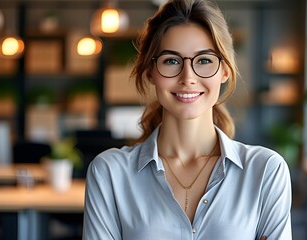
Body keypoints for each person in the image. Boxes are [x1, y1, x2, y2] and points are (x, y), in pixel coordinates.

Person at [82, 0, 292, 239]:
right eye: (171, 61)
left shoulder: (265, 171)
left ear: (225, 70)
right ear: (150, 72)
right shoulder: (110, 173)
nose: (188, 77)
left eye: (204, 60)